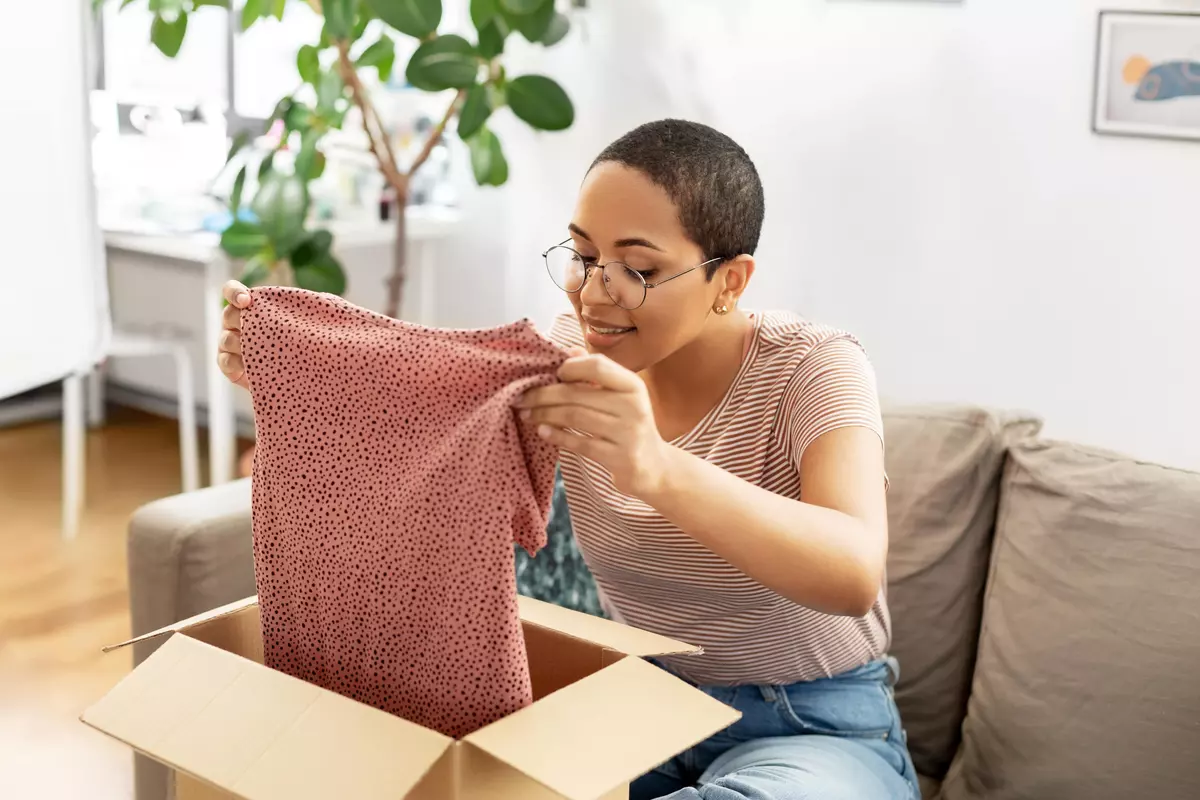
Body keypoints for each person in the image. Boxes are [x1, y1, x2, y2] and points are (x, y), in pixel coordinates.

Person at [216, 119, 919, 800]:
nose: (592, 292)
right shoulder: (573, 357)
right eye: (584, 256)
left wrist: (654, 466)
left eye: (638, 268)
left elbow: (853, 570)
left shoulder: (815, 368)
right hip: (640, 706)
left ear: (730, 282)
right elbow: (430, 409)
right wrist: (302, 362)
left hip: (813, 725)